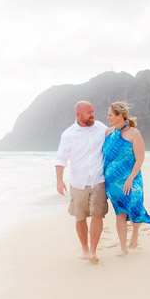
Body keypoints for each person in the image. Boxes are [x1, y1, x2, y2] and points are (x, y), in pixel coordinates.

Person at [55, 101, 109, 263]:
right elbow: (61, 159)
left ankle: (93, 251)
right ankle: (85, 249)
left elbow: (116, 133)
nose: (92, 114)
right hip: (78, 183)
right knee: (80, 217)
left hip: (99, 180)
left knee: (98, 215)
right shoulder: (69, 134)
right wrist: (59, 180)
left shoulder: (100, 127)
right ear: (78, 114)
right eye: (88, 112)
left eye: (93, 111)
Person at [103, 101, 150, 256]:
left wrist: (130, 178)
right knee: (120, 213)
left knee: (134, 207)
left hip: (131, 179)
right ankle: (123, 248)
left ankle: (135, 233)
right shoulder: (108, 133)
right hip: (113, 183)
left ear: (120, 115)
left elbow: (139, 158)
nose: (108, 118)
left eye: (110, 115)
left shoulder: (134, 133)